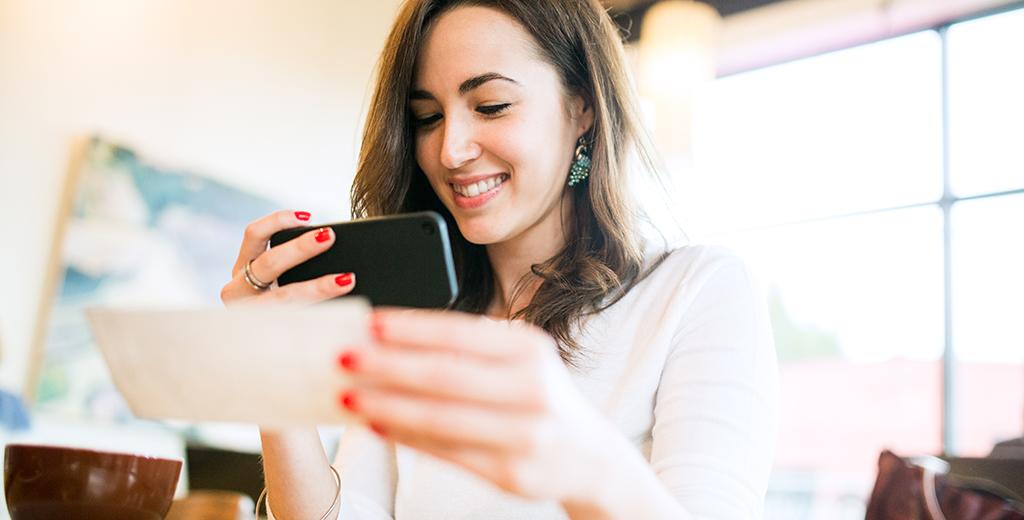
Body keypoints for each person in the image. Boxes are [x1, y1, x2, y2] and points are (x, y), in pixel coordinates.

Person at [219, 0, 778, 518]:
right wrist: (275, 373)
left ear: (582, 105)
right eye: (426, 117)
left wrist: (582, 460)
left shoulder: (697, 292)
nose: (450, 151)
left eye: (491, 106)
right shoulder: (419, 319)